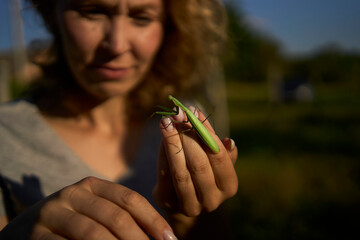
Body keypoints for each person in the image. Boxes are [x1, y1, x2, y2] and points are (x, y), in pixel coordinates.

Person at [0, 0, 238, 239]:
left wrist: (192, 217)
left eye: (142, 17)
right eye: (92, 12)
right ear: (53, 15)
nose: (116, 45)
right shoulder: (6, 135)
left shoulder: (188, 115)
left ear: (168, 25)